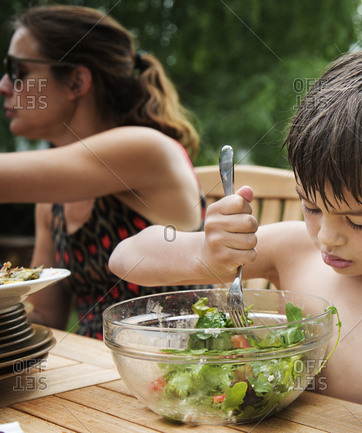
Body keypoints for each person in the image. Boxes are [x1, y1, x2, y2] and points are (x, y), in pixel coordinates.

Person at [109, 50, 362, 431]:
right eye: (311, 207)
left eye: (359, 222)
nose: (327, 237)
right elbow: (127, 258)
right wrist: (204, 254)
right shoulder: (291, 250)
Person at [0, 5, 211, 339]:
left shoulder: (145, 150)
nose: (3, 86)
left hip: (179, 370)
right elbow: (46, 315)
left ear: (77, 81)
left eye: (18, 71)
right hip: (94, 372)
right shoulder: (52, 199)